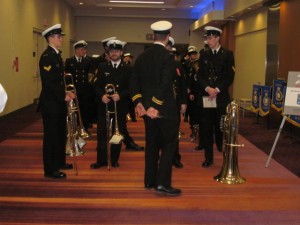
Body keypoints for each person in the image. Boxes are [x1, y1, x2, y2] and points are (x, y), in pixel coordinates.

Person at [130, 20, 181, 196]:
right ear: (168, 37)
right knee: (168, 145)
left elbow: (134, 83)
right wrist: (155, 106)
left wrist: (139, 103)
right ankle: (162, 183)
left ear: (153, 36)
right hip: (164, 110)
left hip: (146, 111)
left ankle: (149, 180)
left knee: (151, 145)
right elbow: (165, 84)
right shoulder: (168, 57)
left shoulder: (141, 57)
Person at [39, 24, 75, 179]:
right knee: (51, 137)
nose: (61, 39)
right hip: (51, 104)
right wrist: (63, 96)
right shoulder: (47, 57)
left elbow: (59, 82)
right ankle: (50, 169)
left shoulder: (56, 55)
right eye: (59, 36)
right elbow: (50, 83)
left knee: (61, 135)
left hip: (58, 103)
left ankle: (60, 162)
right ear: (50, 38)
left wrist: (66, 92)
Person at [196, 26, 235, 168]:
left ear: (217, 38)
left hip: (220, 96)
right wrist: (207, 88)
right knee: (206, 127)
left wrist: (217, 89)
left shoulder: (227, 54)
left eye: (210, 38)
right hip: (207, 96)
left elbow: (230, 76)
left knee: (221, 126)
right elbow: (199, 75)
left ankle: (220, 145)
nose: (207, 41)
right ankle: (208, 157)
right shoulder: (204, 54)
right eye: (206, 38)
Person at [91, 39, 131, 169]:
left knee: (117, 133)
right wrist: (101, 95)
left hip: (119, 106)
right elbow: (96, 86)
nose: (114, 53)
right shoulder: (103, 67)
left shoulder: (128, 68)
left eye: (117, 51)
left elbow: (132, 87)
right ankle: (101, 160)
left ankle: (114, 159)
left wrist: (121, 95)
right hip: (104, 106)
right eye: (112, 51)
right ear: (109, 52)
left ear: (121, 52)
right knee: (102, 133)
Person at [166, 36, 187, 169]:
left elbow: (182, 86)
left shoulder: (177, 65)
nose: (167, 49)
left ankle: (175, 157)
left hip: (174, 104)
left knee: (174, 132)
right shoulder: (155, 64)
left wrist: (184, 102)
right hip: (160, 104)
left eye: (169, 47)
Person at [65, 40, 95, 134]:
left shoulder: (88, 61)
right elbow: (67, 77)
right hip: (74, 90)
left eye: (85, 50)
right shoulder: (69, 61)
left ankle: (84, 128)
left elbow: (91, 75)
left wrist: (90, 89)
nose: (84, 52)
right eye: (82, 50)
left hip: (85, 90)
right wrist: (69, 90)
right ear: (76, 50)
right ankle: (74, 129)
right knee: (73, 111)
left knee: (85, 110)